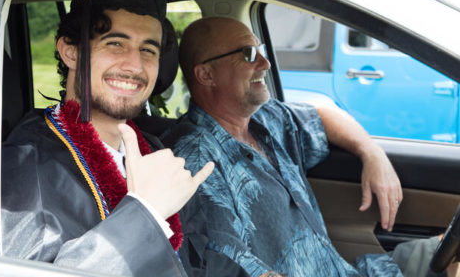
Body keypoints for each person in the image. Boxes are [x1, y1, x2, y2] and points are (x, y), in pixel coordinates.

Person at [162, 16, 457, 277]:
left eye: (260, 50)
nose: (264, 63)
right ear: (206, 75)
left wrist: (372, 153)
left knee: (451, 250)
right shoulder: (196, 159)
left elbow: (324, 115)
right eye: (248, 54)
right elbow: (232, 266)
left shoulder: (264, 119)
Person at [1, 0, 217, 277]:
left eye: (148, 50)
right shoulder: (26, 167)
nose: (135, 66)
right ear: (71, 52)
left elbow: (195, 261)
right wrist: (146, 212)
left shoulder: (156, 154)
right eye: (115, 44)